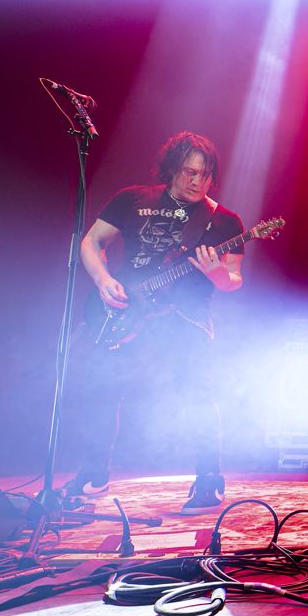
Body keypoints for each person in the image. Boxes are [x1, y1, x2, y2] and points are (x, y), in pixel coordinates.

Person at [65, 131, 244, 513]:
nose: (197, 181)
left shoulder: (223, 221)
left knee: (197, 396)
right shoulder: (132, 199)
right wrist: (103, 280)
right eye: (188, 172)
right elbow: (91, 242)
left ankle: (209, 481)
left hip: (186, 320)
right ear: (171, 170)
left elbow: (233, 280)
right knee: (101, 389)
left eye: (205, 174)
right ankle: (94, 471)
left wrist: (215, 275)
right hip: (126, 309)